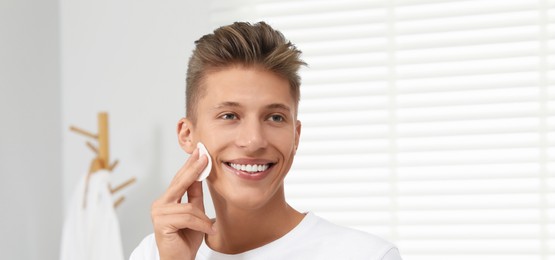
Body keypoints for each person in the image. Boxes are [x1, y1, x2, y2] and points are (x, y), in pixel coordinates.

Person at [129, 21, 402, 260]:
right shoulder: (153, 253)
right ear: (187, 135)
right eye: (229, 115)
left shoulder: (366, 256)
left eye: (274, 118)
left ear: (296, 136)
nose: (254, 141)